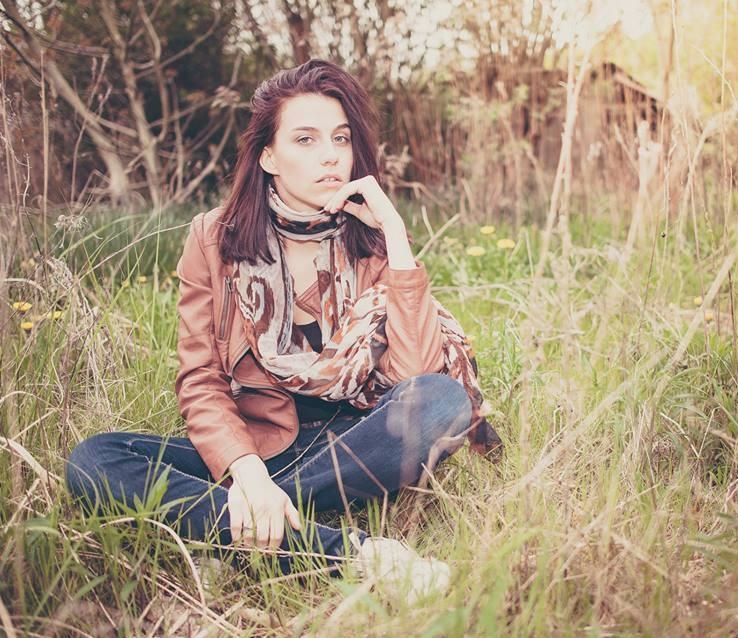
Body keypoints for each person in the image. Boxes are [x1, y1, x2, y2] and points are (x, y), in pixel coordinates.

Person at [65, 59, 500, 603]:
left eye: (340, 138)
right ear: (268, 156)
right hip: (256, 445)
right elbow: (201, 380)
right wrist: (248, 474)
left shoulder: (370, 239)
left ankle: (230, 527)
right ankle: (352, 554)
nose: (330, 155)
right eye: (305, 139)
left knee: (442, 401)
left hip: (352, 442)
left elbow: (415, 375)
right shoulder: (213, 238)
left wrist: (395, 234)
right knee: (95, 461)